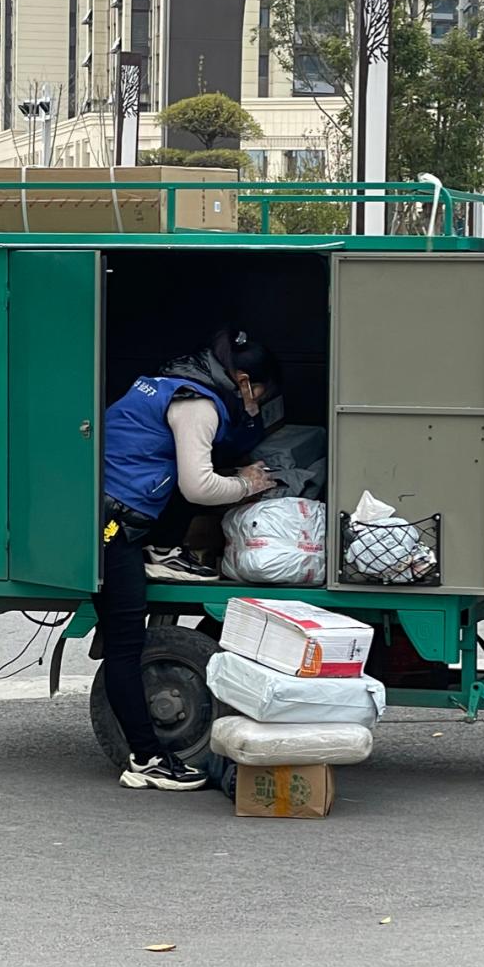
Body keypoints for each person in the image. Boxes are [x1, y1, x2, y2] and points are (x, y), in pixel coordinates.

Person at [98, 328, 280, 791]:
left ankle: (163, 550)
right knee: (125, 643)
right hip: (110, 525)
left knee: (125, 640)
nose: (260, 401)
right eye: (260, 392)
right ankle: (145, 760)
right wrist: (249, 485)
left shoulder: (178, 383)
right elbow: (198, 487)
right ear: (244, 382)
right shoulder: (197, 405)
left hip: (117, 508)